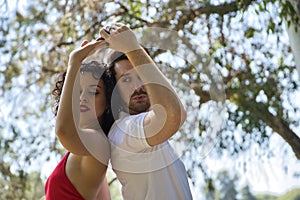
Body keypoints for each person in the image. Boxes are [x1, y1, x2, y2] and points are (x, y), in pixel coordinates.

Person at [100, 23, 193, 199]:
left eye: (142, 76)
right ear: (116, 91)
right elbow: (174, 115)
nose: (138, 87)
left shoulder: (151, 134)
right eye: (126, 80)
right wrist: (131, 46)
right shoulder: (123, 131)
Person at [45, 39, 114, 200]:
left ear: (107, 102)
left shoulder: (98, 142)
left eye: (93, 92)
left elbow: (63, 131)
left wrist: (74, 62)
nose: (83, 98)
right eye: (78, 91)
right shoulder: (84, 149)